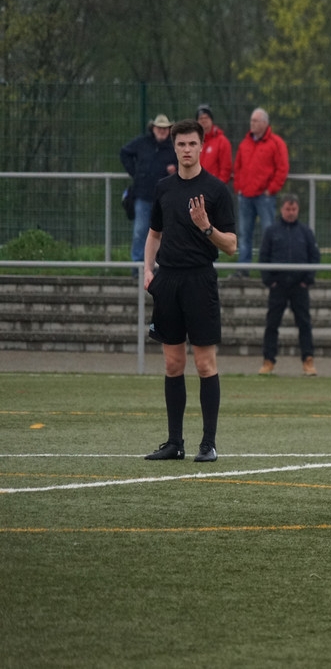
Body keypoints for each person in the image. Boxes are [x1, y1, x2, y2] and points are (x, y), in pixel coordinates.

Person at [143, 118, 237, 463]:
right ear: (174, 146)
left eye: (192, 144)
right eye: (180, 144)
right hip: (168, 281)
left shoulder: (216, 190)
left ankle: (208, 443)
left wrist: (206, 227)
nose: (186, 149)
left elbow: (231, 246)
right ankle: (174, 443)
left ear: (202, 146)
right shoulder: (164, 188)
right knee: (172, 364)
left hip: (200, 281)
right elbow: (154, 234)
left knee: (204, 364)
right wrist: (148, 269)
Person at [258, 193, 321, 377]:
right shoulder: (271, 232)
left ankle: (308, 361)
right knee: (272, 324)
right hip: (278, 286)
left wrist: (306, 280)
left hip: (299, 286)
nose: (291, 212)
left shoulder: (306, 232)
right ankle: (268, 361)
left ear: (298, 210)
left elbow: (315, 257)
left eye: (293, 209)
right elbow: (263, 257)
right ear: (281, 209)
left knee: (304, 323)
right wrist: (270, 281)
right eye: (287, 209)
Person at [233, 107, 289, 277]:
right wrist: (239, 188)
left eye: (256, 121)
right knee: (244, 234)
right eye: (251, 121)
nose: (252, 124)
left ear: (265, 123)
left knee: (268, 233)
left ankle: (269, 269)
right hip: (246, 196)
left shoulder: (276, 143)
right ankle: (243, 268)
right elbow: (238, 167)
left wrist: (270, 190)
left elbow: (282, 168)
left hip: (264, 197)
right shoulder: (245, 143)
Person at [120, 114, 178, 273]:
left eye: (165, 128)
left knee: (163, 233)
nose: (162, 131)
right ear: (153, 128)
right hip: (143, 195)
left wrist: (175, 170)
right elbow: (124, 152)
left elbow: (185, 163)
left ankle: (160, 266)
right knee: (140, 232)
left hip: (165, 198)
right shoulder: (141, 142)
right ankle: (138, 268)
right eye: (159, 128)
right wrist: (135, 172)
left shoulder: (174, 147)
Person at [196, 104, 233, 184]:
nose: (203, 121)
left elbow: (226, 169)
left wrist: (218, 187)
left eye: (206, 118)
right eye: (200, 118)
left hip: (213, 189)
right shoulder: (194, 142)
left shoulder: (222, 141)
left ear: (211, 120)